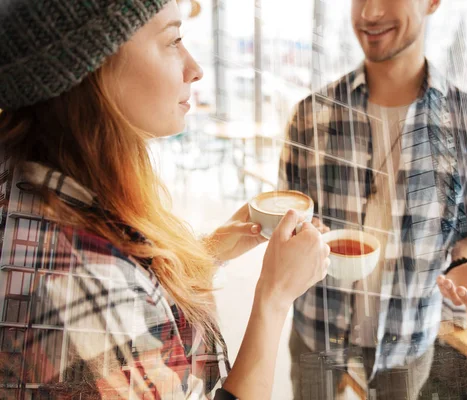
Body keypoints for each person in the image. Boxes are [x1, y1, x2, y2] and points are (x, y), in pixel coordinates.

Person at [0, 1, 330, 399]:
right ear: (95, 66)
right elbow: (113, 297)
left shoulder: (36, 178)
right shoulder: (85, 286)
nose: (195, 68)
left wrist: (204, 255)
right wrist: (275, 297)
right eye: (173, 40)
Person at [278, 0, 467, 398]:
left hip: (409, 332)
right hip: (317, 324)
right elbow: (290, 219)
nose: (370, 13)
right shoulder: (311, 116)